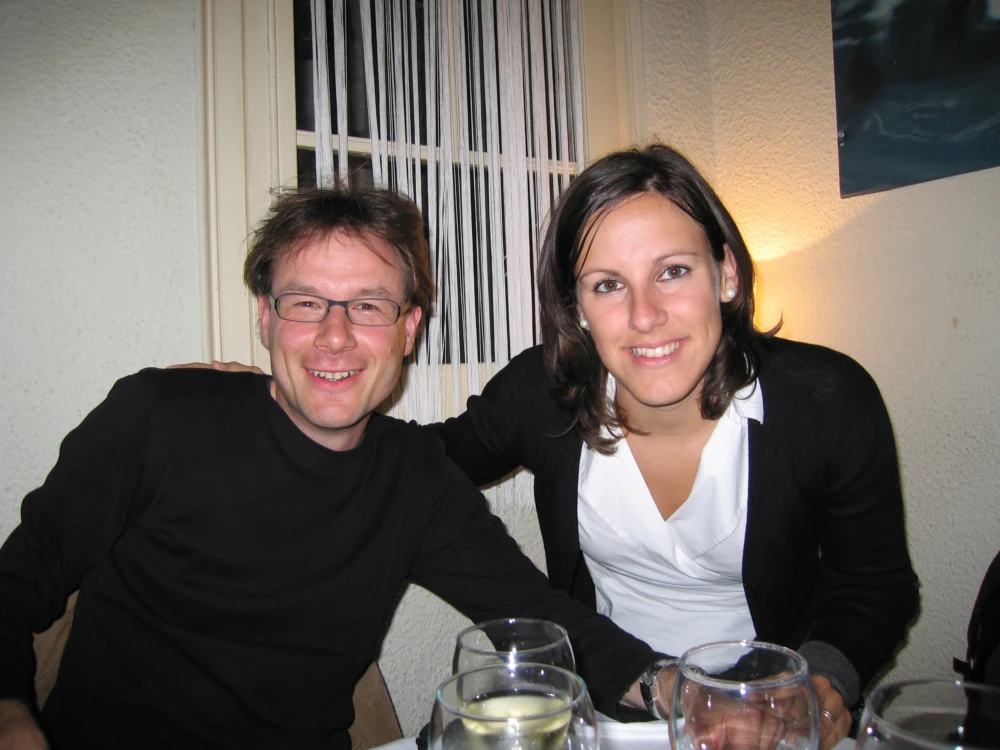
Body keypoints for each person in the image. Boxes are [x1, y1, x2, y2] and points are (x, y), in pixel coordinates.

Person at [0, 186, 668, 749]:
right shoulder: (158, 418)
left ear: (408, 331)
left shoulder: (416, 478)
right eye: (306, 302)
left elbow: (537, 614)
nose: (335, 336)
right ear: (266, 319)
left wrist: (671, 687)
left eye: (368, 306)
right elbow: (13, 586)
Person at [432, 144, 920, 750]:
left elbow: (874, 586)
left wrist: (821, 679)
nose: (645, 315)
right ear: (577, 309)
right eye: (608, 284)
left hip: (763, 717)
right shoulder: (541, 393)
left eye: (673, 272)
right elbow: (420, 465)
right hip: (611, 710)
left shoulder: (826, 400)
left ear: (727, 273)